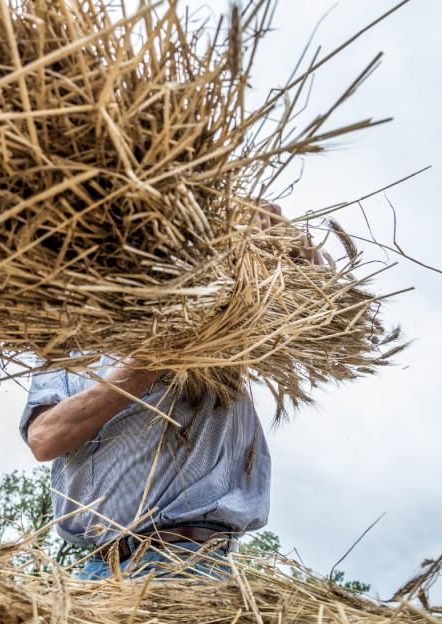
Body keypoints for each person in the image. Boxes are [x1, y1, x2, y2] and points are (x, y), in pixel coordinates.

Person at [18, 203, 309, 581]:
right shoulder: (63, 351)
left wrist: (283, 244)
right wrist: (149, 364)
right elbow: (44, 438)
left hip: (182, 562)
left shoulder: (212, 312)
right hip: (93, 568)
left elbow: (318, 304)